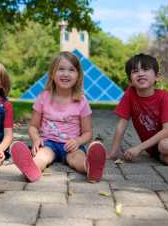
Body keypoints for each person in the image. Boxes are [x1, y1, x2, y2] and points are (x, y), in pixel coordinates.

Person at [11, 51, 107, 182]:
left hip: (71, 145)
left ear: (78, 75)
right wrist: (36, 139)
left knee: (77, 158)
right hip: (48, 143)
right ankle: (31, 168)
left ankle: (90, 167)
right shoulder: (43, 97)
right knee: (42, 156)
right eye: (61, 69)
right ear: (52, 74)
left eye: (71, 70)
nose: (66, 74)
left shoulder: (81, 101)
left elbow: (88, 133)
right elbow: (33, 126)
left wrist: (78, 142)